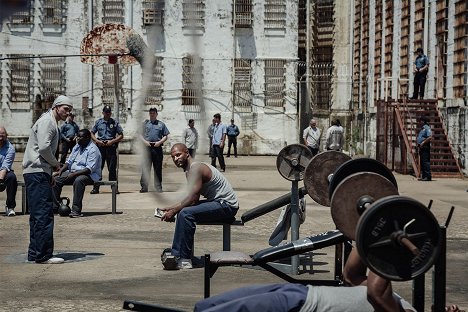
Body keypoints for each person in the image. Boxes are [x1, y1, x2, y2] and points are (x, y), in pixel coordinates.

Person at [194, 248, 417, 312]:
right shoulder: (399, 302)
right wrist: (365, 228)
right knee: (204, 306)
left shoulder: (394, 308)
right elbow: (351, 276)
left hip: (299, 306)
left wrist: (385, 238)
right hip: (299, 291)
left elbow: (376, 291)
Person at [159, 143, 239, 270]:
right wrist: (172, 208)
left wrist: (174, 211)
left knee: (186, 214)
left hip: (227, 205)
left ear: (187, 153)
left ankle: (184, 259)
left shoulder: (195, 169)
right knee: (183, 212)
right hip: (217, 202)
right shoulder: (190, 169)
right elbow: (190, 198)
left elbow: (193, 200)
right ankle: (176, 255)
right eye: (173, 157)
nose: (176, 159)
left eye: (178, 155)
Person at [22, 95, 73, 264]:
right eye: (65, 109)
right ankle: (43, 255)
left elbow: (39, 149)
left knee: (37, 215)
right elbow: (44, 148)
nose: (68, 113)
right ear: (56, 107)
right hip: (37, 172)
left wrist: (49, 173)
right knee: (44, 214)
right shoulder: (48, 122)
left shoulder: (48, 121)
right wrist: (56, 164)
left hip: (37, 171)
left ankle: (35, 252)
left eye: (69, 110)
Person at [52, 129, 102, 218]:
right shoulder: (77, 146)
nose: (77, 139)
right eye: (77, 136)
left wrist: (73, 175)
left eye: (80, 137)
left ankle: (76, 210)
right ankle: (55, 207)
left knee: (79, 181)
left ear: (87, 138)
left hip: (90, 175)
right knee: (56, 180)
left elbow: (89, 169)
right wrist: (61, 171)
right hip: (73, 172)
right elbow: (69, 161)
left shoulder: (93, 149)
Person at [90, 105, 124, 194]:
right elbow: (92, 133)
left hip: (111, 147)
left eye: (109, 112)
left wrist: (112, 141)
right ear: (103, 113)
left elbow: (121, 135)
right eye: (106, 112)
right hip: (100, 146)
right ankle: (96, 188)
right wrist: (97, 141)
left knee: (112, 168)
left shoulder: (114, 122)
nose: (108, 114)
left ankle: (114, 188)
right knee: (98, 168)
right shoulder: (98, 122)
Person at [139, 107, 170, 193]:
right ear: (149, 114)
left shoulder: (161, 124)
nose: (152, 114)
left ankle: (158, 187)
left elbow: (166, 135)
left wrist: (159, 142)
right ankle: (144, 187)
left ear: (156, 114)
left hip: (157, 148)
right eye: (151, 113)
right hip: (147, 148)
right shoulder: (145, 124)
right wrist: (145, 142)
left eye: (154, 113)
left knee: (157, 168)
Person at [0, 127, 17, 217]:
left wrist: (0, 180)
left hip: (4, 171)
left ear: (6, 136)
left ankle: (10, 207)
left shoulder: (10, 148)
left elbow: (5, 166)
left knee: (12, 177)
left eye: (3, 136)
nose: (0, 139)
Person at [417, 115, 432, 181]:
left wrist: (423, 142)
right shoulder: (422, 128)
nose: (419, 122)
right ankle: (424, 176)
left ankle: (428, 176)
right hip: (421, 147)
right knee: (422, 162)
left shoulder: (427, 128)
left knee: (425, 161)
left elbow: (430, 137)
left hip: (425, 146)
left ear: (423, 121)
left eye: (420, 121)